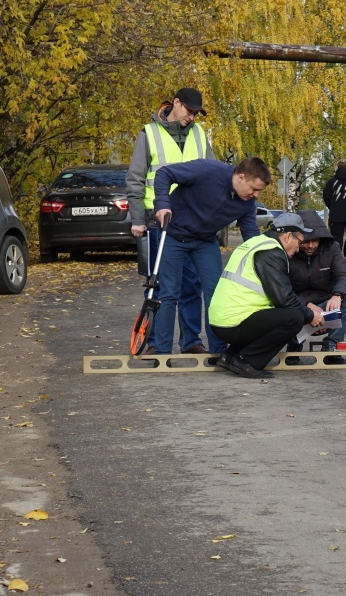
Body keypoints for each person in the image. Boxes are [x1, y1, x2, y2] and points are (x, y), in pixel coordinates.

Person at [125, 87, 213, 354]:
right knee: (159, 284)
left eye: (197, 113)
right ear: (175, 103)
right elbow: (136, 179)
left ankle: (191, 341)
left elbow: (212, 174)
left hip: (192, 223)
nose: (192, 117)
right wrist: (138, 219)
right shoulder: (149, 133)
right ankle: (152, 342)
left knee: (191, 284)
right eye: (189, 111)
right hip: (157, 223)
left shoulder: (199, 135)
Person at [151, 157, 268, 355]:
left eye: (259, 192)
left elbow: (250, 237)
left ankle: (218, 352)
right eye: (253, 189)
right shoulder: (208, 170)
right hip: (173, 234)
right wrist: (162, 203)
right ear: (240, 178)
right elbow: (164, 173)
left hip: (205, 241)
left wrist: (266, 261)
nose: (255, 195)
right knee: (169, 293)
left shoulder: (247, 203)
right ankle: (162, 353)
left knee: (216, 294)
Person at [208, 214, 325, 378]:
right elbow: (284, 298)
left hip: (223, 318)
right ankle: (246, 361)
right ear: (288, 236)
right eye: (299, 243)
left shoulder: (256, 243)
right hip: (234, 321)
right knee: (294, 318)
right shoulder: (271, 252)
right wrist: (309, 315)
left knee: (280, 315)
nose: (299, 249)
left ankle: (230, 356)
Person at [287, 210, 346, 356]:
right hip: (297, 306)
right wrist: (308, 307)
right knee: (281, 305)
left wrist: (337, 296)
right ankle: (294, 345)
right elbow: (282, 289)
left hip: (325, 304)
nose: (310, 245)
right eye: (306, 241)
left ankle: (332, 344)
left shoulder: (332, 248)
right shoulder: (288, 252)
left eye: (314, 240)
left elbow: (344, 276)